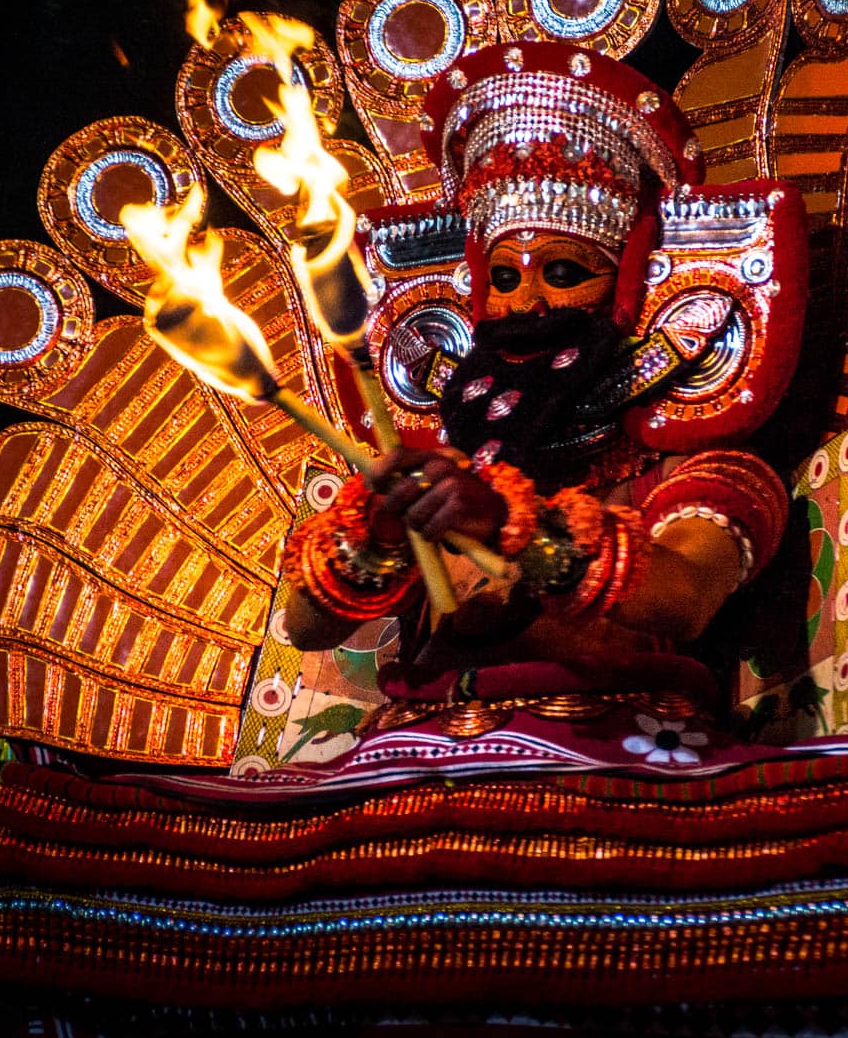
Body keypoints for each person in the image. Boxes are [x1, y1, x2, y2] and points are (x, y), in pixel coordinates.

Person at [280, 41, 799, 683]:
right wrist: (378, 535)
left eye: (563, 272)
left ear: (631, 292)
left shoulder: (702, 470)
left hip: (612, 755)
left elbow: (683, 598)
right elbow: (303, 628)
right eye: (500, 278)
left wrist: (501, 519)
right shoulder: (442, 476)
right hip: (423, 746)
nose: (526, 303)